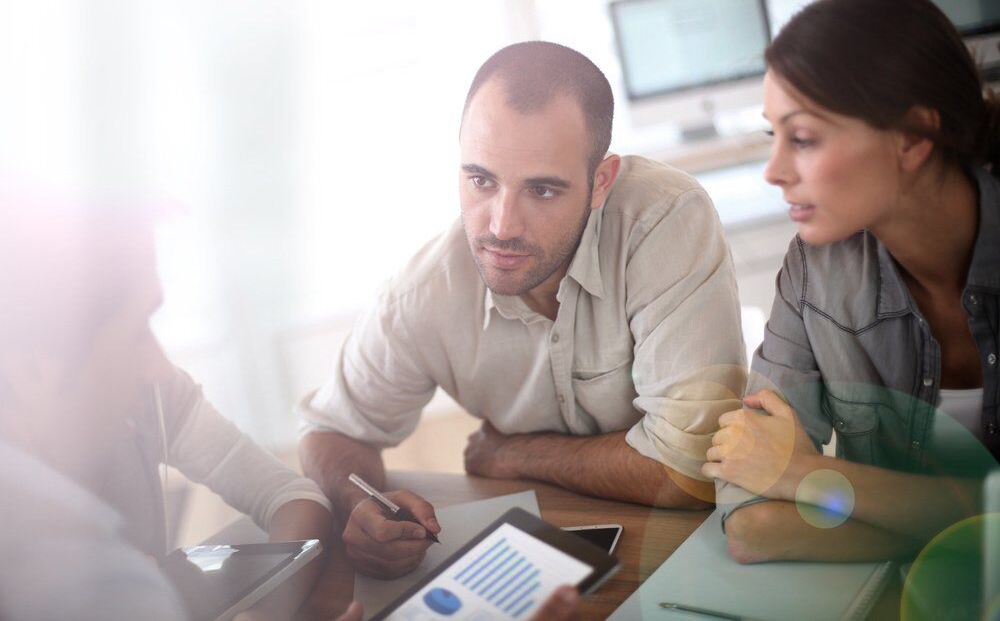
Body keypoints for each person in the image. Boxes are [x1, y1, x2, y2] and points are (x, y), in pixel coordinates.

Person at [299, 40, 746, 579]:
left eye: (542, 189)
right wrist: (359, 504)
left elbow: (689, 471)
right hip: (540, 557)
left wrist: (513, 454)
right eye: (480, 180)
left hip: (694, 558)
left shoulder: (663, 220)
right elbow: (331, 433)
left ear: (601, 181)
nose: (501, 225)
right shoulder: (421, 294)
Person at [702, 0, 1000, 564]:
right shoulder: (813, 271)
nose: (774, 170)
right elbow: (751, 523)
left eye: (804, 137)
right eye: (773, 134)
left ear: (912, 138)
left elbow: (784, 510)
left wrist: (807, 476)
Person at [0, 191, 335, 620]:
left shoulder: (149, 399)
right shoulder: (83, 575)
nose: (158, 367)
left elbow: (291, 495)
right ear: (30, 368)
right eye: (137, 331)